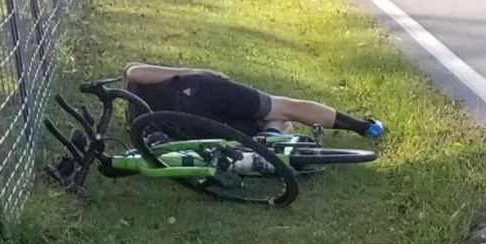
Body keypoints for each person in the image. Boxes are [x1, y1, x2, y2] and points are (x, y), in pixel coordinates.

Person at [122, 63, 383, 139]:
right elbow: (133, 70)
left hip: (192, 125)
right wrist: (191, 72)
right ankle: (362, 127)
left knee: (271, 120)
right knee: (282, 108)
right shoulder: (133, 83)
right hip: (197, 90)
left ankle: (270, 134)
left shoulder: (138, 123)